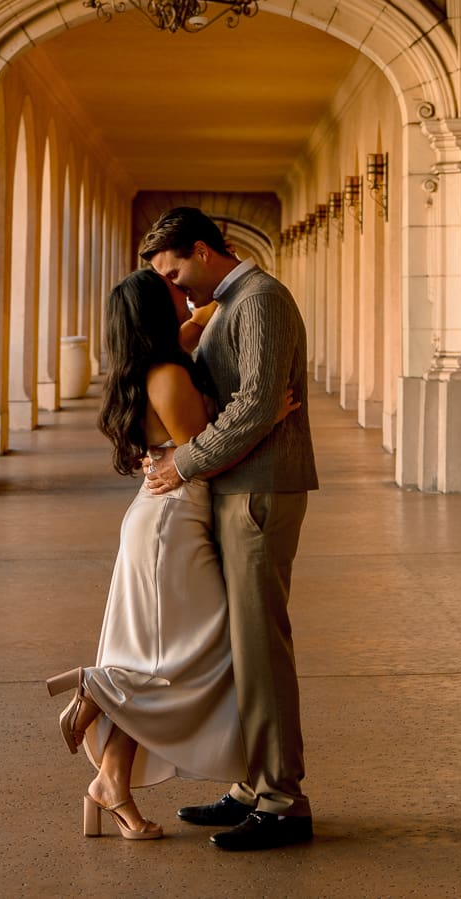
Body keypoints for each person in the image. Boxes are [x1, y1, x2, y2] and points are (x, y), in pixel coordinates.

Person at [46, 269, 249, 840]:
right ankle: (98, 687)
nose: (185, 300)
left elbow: (196, 325)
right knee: (192, 654)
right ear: (156, 315)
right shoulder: (167, 377)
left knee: (154, 655)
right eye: (173, 298)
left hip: (160, 518)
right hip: (173, 523)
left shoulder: (149, 363)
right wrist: (270, 418)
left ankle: (112, 783)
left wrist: (217, 305)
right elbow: (208, 452)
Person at [143, 205, 319, 851]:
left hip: (261, 491)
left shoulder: (261, 298)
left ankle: (281, 800)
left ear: (204, 248)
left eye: (177, 269)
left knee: (261, 648)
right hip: (236, 485)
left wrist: (183, 463)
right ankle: (252, 783)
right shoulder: (227, 302)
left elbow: (256, 404)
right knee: (238, 649)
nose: (178, 285)